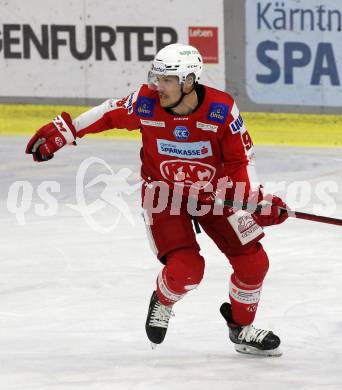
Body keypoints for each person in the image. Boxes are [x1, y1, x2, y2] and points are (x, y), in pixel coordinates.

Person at [26, 43, 289, 357]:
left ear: (189, 81)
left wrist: (253, 200)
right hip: (164, 195)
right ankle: (163, 300)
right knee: (187, 270)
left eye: (166, 80)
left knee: (253, 262)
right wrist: (67, 130)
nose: (157, 85)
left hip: (213, 196)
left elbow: (241, 160)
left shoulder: (221, 110)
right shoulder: (146, 103)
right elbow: (109, 114)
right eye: (156, 77)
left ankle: (241, 328)